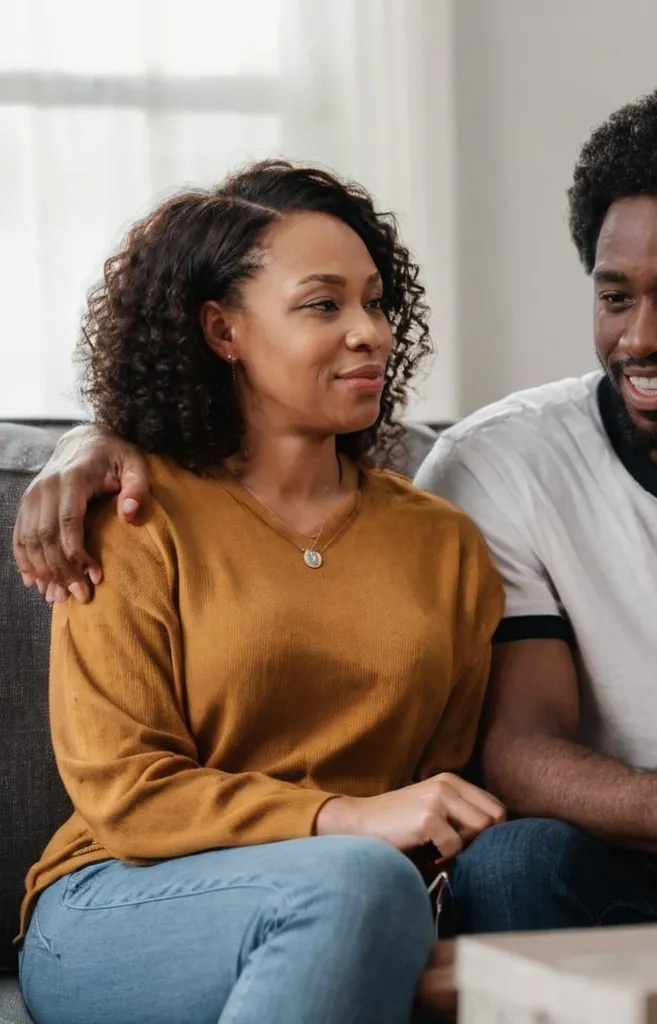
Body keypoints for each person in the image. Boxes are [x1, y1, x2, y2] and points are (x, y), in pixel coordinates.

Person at [12, 89, 657, 989]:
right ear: (222, 329)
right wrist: (97, 444)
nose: (639, 336)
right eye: (614, 294)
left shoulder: (434, 537)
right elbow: (512, 750)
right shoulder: (152, 509)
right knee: (496, 866)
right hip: (560, 869)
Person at [13, 160, 506, 1024]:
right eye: (324, 305)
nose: (371, 333)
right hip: (120, 900)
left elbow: (439, 788)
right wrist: (343, 819)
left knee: (378, 888)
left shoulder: (445, 544)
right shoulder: (131, 514)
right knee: (356, 885)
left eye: (377, 302)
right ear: (223, 330)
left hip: (362, 896)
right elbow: (126, 792)